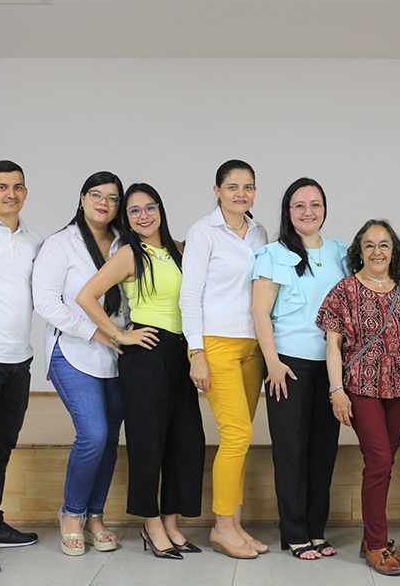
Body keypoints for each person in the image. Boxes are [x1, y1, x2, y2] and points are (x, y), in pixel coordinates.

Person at [77, 183, 205, 560]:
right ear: (126, 218)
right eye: (134, 211)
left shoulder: (181, 250)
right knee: (149, 443)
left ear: (161, 210)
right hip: (147, 355)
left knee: (185, 442)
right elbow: (86, 296)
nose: (144, 215)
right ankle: (150, 524)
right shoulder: (130, 254)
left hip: (181, 352)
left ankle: (171, 521)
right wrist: (118, 334)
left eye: (150, 207)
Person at [251, 178, 347, 559]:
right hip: (287, 365)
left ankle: (316, 529)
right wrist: (272, 362)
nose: (308, 212)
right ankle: (294, 533)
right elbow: (260, 311)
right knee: (291, 451)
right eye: (299, 205)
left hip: (331, 365)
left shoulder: (340, 251)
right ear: (288, 212)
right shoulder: (273, 253)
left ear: (325, 208)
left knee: (323, 451)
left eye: (315, 204)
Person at [33, 172, 128, 556]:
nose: (104, 203)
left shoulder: (125, 242)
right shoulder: (60, 244)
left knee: (108, 441)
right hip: (71, 350)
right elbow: (46, 303)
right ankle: (71, 513)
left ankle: (94, 515)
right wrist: (94, 332)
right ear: (82, 199)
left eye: (112, 198)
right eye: (96, 195)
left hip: (117, 354)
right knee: (93, 434)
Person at [316, 219, 400, 576]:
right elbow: (333, 347)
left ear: (394, 250)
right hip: (360, 386)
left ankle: (371, 538)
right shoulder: (344, 290)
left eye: (384, 244)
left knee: (385, 464)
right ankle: (376, 544)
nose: (377, 251)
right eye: (370, 245)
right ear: (360, 250)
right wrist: (336, 391)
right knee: (377, 460)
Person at [180, 160, 268, 559]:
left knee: (242, 437)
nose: (240, 194)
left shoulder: (260, 232)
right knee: (237, 435)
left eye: (248, 187)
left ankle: (234, 523)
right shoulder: (203, 232)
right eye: (232, 187)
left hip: (252, 346)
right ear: (216, 190)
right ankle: (221, 526)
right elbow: (190, 294)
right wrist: (196, 351)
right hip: (215, 343)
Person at [0, 161, 42, 575]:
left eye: (17, 187)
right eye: (1, 187)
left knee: (0, 448)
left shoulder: (35, 242)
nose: (10, 194)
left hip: (20, 359)